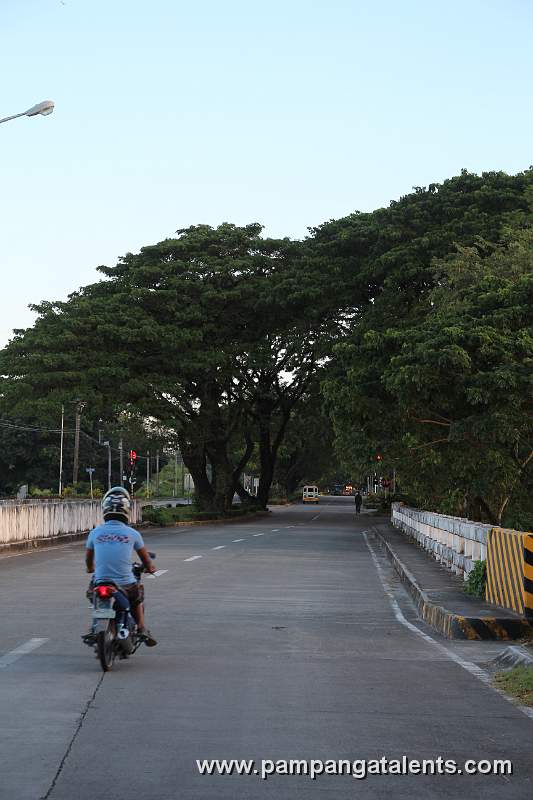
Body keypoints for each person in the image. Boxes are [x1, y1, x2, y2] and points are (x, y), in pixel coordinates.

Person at [84, 486, 158, 647]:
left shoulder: (95, 532)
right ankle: (142, 628)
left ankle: (95, 626)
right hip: (125, 583)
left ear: (105, 509)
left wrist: (90, 568)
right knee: (137, 597)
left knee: (94, 596)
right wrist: (150, 568)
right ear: (127, 511)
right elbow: (145, 559)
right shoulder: (132, 533)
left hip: (100, 581)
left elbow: (89, 558)